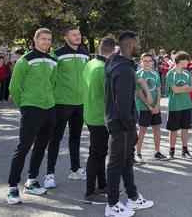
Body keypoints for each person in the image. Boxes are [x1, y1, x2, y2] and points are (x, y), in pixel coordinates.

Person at [104, 31, 153, 217]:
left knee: (126, 160)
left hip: (118, 122)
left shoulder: (113, 62)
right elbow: (122, 101)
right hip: (122, 124)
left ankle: (132, 197)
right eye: (137, 44)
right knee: (117, 162)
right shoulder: (123, 69)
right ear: (130, 44)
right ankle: (112, 204)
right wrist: (129, 124)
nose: (139, 47)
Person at [6, 28, 57, 205]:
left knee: (41, 147)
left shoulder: (52, 60)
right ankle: (12, 187)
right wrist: (24, 106)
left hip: (49, 109)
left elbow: (52, 83)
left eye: (49, 39)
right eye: (43, 39)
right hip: (31, 108)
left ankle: (32, 181)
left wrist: (49, 101)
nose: (46, 42)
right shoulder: (25, 60)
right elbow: (14, 87)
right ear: (35, 39)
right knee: (24, 147)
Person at [45, 25, 89, 189]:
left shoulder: (85, 54)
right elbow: (50, 79)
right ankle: (49, 174)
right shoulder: (57, 54)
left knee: (75, 137)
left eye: (79, 34)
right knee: (55, 138)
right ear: (66, 37)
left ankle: (75, 170)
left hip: (80, 103)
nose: (78, 37)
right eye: (74, 34)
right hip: (61, 103)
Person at [82, 38, 115, 204]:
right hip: (99, 117)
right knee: (96, 154)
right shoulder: (103, 69)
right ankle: (89, 192)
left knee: (100, 152)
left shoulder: (91, 63)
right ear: (113, 51)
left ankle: (102, 185)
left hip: (90, 112)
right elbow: (109, 96)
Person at [134, 53, 166, 163]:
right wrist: (148, 106)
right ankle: (138, 153)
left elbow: (158, 90)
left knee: (157, 128)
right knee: (142, 130)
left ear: (152, 62)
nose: (147, 63)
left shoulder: (155, 74)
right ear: (141, 61)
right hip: (143, 107)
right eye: (145, 60)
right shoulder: (138, 74)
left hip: (155, 107)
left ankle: (157, 151)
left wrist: (157, 105)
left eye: (149, 60)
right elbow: (139, 93)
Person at [166, 51, 192, 159]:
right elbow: (175, 90)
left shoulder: (186, 73)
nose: (189, 62)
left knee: (185, 128)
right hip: (175, 106)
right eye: (187, 60)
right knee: (173, 129)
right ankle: (171, 151)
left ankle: (185, 150)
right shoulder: (171, 73)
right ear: (182, 60)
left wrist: (181, 89)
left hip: (186, 105)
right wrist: (185, 88)